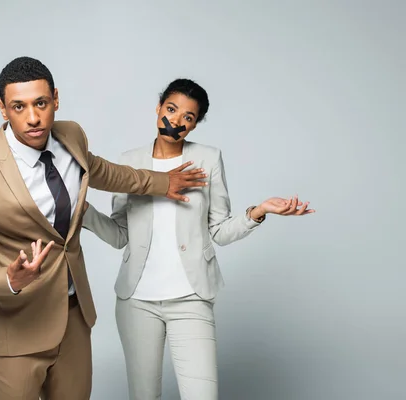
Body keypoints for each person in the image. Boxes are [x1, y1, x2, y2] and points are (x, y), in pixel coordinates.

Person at [0, 58, 208, 400]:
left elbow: (105, 172)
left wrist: (162, 182)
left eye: (41, 103)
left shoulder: (70, 135)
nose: (33, 118)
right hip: (16, 326)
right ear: (3, 108)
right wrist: (3, 280)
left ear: (55, 100)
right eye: (19, 106)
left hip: (74, 319)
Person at [81, 78, 315, 400]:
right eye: (172, 109)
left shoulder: (207, 159)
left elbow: (218, 230)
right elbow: (121, 235)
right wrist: (81, 211)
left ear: (194, 125)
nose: (176, 120)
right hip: (137, 301)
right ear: (159, 108)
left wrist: (259, 211)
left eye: (188, 117)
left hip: (192, 297)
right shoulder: (129, 162)